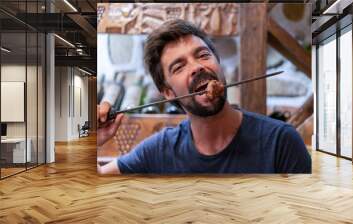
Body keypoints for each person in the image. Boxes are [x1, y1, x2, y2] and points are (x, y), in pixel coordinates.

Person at [97, 19, 311, 174]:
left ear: (219, 66)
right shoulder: (159, 150)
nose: (197, 67)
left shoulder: (281, 141)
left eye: (203, 55)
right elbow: (96, 180)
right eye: (179, 67)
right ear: (168, 92)